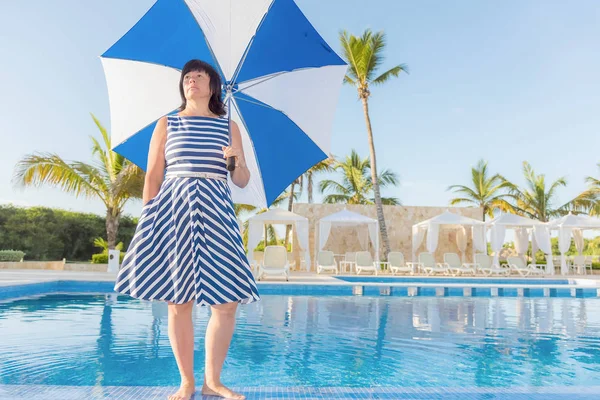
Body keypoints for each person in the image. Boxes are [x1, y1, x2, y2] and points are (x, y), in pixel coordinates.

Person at [114, 59, 260, 400]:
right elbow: (152, 175)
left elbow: (241, 181)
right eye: (187, 78)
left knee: (227, 301)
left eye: (199, 77)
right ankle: (187, 382)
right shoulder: (167, 123)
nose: (191, 81)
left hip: (217, 210)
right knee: (179, 301)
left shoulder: (229, 127)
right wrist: (147, 218)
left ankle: (213, 381)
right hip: (173, 209)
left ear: (213, 87)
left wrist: (236, 158)